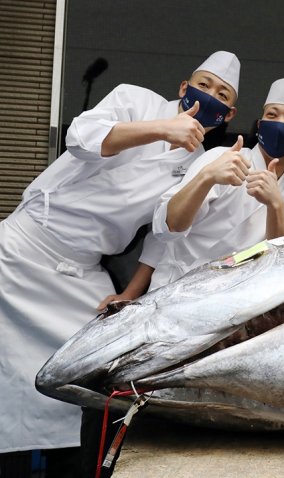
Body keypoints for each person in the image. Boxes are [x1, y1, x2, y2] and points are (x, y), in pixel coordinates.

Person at [0, 50, 240, 463]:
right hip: (22, 251)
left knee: (93, 376)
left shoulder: (196, 164)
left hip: (82, 274)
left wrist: (129, 293)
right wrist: (164, 129)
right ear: (184, 88)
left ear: (228, 115)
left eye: (222, 94)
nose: (210, 95)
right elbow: (81, 137)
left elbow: (165, 233)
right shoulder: (136, 101)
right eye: (203, 85)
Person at [135, 77, 284, 290]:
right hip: (177, 290)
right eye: (272, 115)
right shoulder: (220, 158)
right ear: (260, 125)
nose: (280, 123)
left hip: (233, 305)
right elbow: (168, 227)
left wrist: (276, 206)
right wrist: (207, 177)